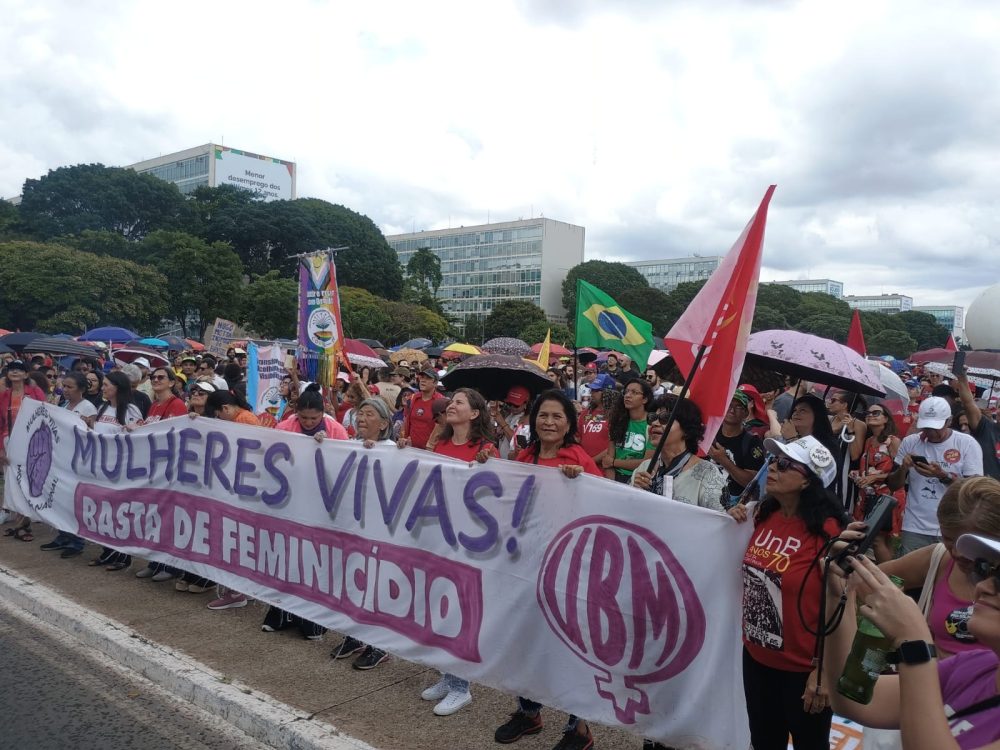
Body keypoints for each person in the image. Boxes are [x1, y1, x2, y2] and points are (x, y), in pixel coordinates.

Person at [824, 530, 1000, 749]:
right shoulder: (977, 666)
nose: (983, 586)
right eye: (985, 571)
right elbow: (854, 701)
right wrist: (840, 594)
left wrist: (915, 644)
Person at [495, 389, 600, 750]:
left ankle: (579, 728)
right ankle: (529, 712)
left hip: (569, 567)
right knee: (526, 640)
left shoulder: (579, 459)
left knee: (568, 645)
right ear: (533, 419)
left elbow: (603, 509)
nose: (549, 422)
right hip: (527, 563)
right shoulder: (525, 457)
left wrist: (581, 483)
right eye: (543, 415)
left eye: (557, 416)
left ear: (570, 423)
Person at [728, 435, 847, 750]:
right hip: (756, 657)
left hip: (803, 670)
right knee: (764, 742)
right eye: (772, 461)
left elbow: (840, 607)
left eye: (783, 463)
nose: (773, 469)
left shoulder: (830, 532)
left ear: (808, 481)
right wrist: (730, 523)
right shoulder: (764, 515)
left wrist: (822, 670)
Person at [419, 387, 498, 717]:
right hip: (438, 536)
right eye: (450, 402)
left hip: (468, 542)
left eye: (458, 403)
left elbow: (499, 494)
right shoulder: (439, 443)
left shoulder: (486, 449)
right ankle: (447, 674)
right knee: (439, 605)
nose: (450, 406)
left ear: (475, 413)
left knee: (461, 611)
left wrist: (487, 466)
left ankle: (461, 686)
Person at [255, 386, 348, 624]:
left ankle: (311, 616)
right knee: (287, 555)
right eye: (303, 418)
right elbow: (269, 457)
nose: (308, 422)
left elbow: (346, 463)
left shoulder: (335, 430)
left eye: (313, 418)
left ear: (323, 413)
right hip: (289, 500)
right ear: (295, 414)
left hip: (321, 503)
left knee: (314, 557)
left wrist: (328, 449)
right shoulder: (285, 427)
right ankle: (280, 610)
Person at [330, 397, 395, 670]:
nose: (362, 419)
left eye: (369, 415)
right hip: (352, 527)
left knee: (375, 586)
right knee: (352, 582)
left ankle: (379, 645)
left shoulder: (393, 451)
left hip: (379, 531)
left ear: (383, 424)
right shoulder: (351, 445)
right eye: (360, 414)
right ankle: (355, 635)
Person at [887, 396, 984, 557]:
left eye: (936, 427)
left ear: (949, 421)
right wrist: (903, 468)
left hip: (953, 526)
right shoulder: (911, 442)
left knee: (943, 577)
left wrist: (942, 475)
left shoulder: (967, 444)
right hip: (915, 526)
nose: (930, 432)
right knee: (907, 578)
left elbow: (973, 491)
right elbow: (892, 485)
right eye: (926, 427)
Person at [39, 372, 97, 557]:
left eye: (69, 387)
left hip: (77, 461)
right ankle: (63, 534)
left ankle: (77, 541)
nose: (65, 390)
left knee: (74, 502)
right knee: (60, 499)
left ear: (81, 389)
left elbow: (92, 434)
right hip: (61, 458)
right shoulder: (63, 404)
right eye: (64, 386)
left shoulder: (88, 408)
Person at [633, 396, 726, 510]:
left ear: (686, 430)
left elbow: (721, 518)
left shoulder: (707, 473)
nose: (655, 423)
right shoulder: (644, 468)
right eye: (653, 417)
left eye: (665, 418)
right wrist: (634, 492)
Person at [90, 371, 143, 571]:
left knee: (119, 513)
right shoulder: (102, 407)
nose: (103, 388)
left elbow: (139, 438)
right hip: (101, 468)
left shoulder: (130, 410)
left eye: (106, 385)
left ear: (118, 387)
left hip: (120, 470)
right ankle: (107, 551)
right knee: (103, 512)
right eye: (102, 385)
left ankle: (123, 555)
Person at [851, 402, 907, 562]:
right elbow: (869, 467)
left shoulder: (893, 441)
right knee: (882, 539)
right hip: (868, 495)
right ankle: (886, 573)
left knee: (876, 539)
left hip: (887, 495)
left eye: (876, 413)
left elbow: (901, 471)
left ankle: (884, 574)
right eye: (868, 412)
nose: (870, 415)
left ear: (886, 419)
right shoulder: (869, 440)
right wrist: (857, 474)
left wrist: (875, 477)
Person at [708, 390, 767, 507]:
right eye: (729, 404)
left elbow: (751, 483)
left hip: (732, 507)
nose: (732, 409)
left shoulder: (752, 443)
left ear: (746, 413)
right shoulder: (710, 433)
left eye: (738, 406)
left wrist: (724, 461)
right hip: (703, 499)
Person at [603, 377, 653, 482]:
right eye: (626, 392)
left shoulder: (652, 425)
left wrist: (614, 462)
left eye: (634, 392)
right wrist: (613, 484)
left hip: (638, 481)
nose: (628, 395)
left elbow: (647, 463)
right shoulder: (618, 421)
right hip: (614, 479)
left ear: (645, 399)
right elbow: (607, 460)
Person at [957, 368, 1000, 480]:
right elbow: (968, 403)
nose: (998, 411)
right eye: (999, 407)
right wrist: (962, 377)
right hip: (983, 492)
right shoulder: (985, 427)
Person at [399, 365, 446, 450]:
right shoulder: (412, 398)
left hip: (430, 452)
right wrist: (402, 438)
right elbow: (405, 420)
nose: (423, 380)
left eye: (428, 378)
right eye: (422, 377)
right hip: (410, 448)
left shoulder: (441, 402)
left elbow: (443, 427)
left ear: (435, 383)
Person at [491, 385, 531, 459]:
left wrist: (503, 423)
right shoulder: (509, 415)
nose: (512, 407)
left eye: (516, 405)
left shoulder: (528, 419)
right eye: (509, 404)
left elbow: (518, 445)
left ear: (526, 404)